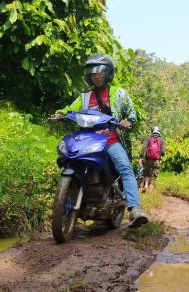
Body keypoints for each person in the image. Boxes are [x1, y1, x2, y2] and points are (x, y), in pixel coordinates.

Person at [51, 54, 149, 228]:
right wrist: (59, 114)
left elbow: (131, 114)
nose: (96, 75)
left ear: (107, 73)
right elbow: (69, 109)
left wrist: (127, 121)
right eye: (92, 72)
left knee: (125, 169)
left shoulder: (119, 93)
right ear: (88, 75)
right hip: (86, 140)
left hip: (110, 140)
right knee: (69, 157)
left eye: (100, 72)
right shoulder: (84, 97)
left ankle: (135, 209)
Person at [139, 126, 166, 192]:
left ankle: (145, 185)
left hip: (148, 159)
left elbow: (144, 147)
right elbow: (163, 152)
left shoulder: (149, 138)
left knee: (146, 173)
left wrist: (141, 157)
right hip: (156, 160)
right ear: (159, 131)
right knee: (153, 177)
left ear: (152, 131)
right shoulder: (161, 139)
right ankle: (150, 193)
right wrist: (161, 155)